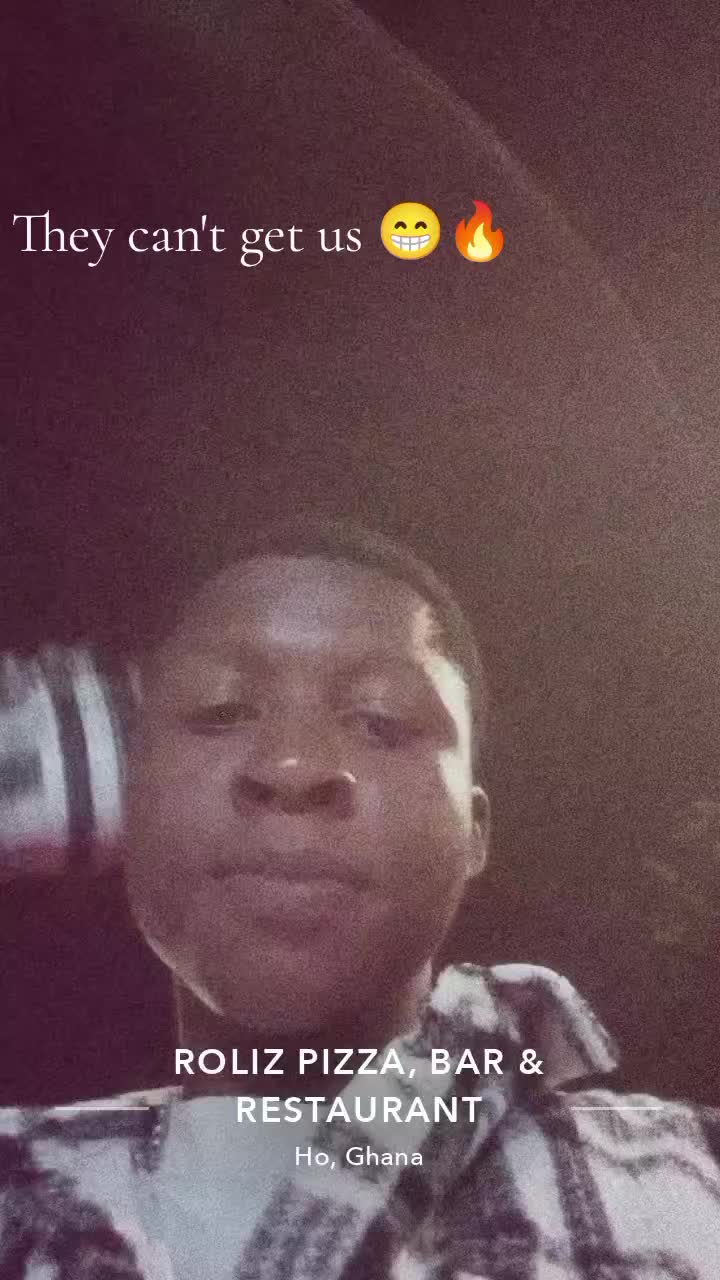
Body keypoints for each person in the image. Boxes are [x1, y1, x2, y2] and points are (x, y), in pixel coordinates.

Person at [1, 517, 719, 1279]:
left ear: (474, 831)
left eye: (381, 721)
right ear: (125, 798)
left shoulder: (694, 1183)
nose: (292, 765)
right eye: (219, 710)